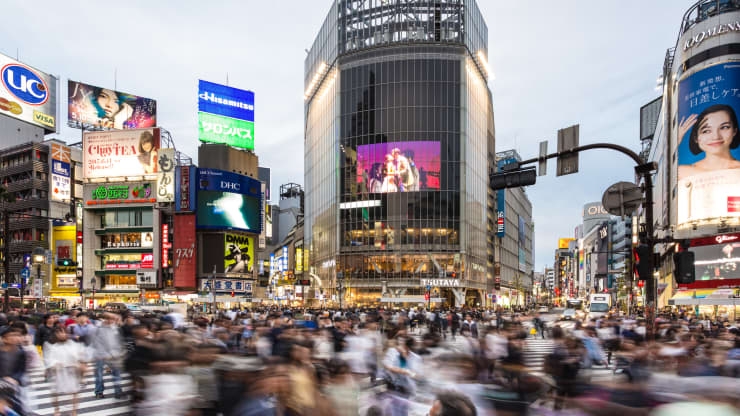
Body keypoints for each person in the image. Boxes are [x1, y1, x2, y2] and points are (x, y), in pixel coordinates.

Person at [677, 103, 740, 180]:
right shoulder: (682, 172)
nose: (716, 136)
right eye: (706, 131)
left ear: (734, 131)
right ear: (696, 138)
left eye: (724, 127)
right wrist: (674, 145)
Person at [90, 313, 124, 399]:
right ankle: (99, 392)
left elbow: (118, 341)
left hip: (114, 355)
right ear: (104, 319)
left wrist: (117, 353)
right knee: (99, 374)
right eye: (108, 319)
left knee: (117, 374)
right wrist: (104, 354)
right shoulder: (97, 328)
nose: (110, 321)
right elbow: (95, 343)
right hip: (101, 355)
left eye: (112, 319)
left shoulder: (115, 328)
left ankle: (118, 391)